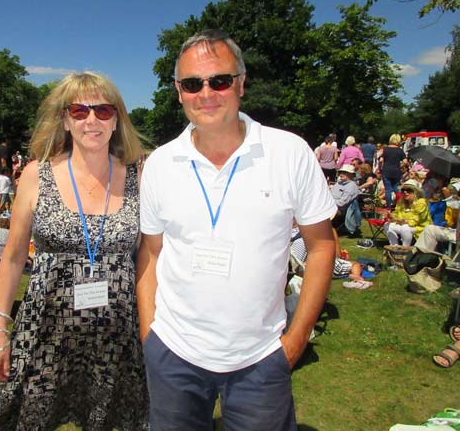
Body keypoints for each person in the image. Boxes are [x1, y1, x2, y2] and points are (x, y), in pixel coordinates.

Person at [137, 29, 337, 431]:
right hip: (174, 353)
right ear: (179, 91)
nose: (206, 93)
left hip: (261, 358)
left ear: (241, 84)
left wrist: (295, 340)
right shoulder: (159, 163)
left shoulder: (289, 152)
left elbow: (321, 247)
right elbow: (152, 253)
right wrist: (150, 336)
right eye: (193, 83)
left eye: (220, 80)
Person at [0, 72, 149, 431]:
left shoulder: (141, 174)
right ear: (65, 119)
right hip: (47, 331)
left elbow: (150, 257)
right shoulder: (35, 174)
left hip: (117, 337)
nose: (92, 120)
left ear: (117, 118)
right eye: (79, 110)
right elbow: (13, 257)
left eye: (103, 111)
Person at [385, 180, 432, 246]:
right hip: (404, 224)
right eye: (403, 190)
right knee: (388, 225)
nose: (405, 192)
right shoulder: (401, 201)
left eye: (409, 190)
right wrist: (390, 216)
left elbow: (415, 221)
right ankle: (394, 247)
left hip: (420, 227)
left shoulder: (421, 202)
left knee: (405, 228)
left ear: (416, 192)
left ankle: (405, 248)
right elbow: (396, 213)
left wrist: (397, 220)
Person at [330, 164, 360, 232]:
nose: (341, 174)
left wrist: (329, 201)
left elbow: (342, 203)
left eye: (344, 172)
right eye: (340, 172)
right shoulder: (339, 183)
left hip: (340, 210)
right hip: (331, 205)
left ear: (351, 174)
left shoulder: (351, 186)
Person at [380, 133, 406, 209]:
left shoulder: (385, 149)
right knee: (396, 189)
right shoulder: (400, 150)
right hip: (396, 171)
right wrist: (400, 166)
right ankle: (399, 205)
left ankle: (388, 207)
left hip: (386, 170)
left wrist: (380, 167)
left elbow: (381, 160)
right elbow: (405, 162)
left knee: (388, 189)